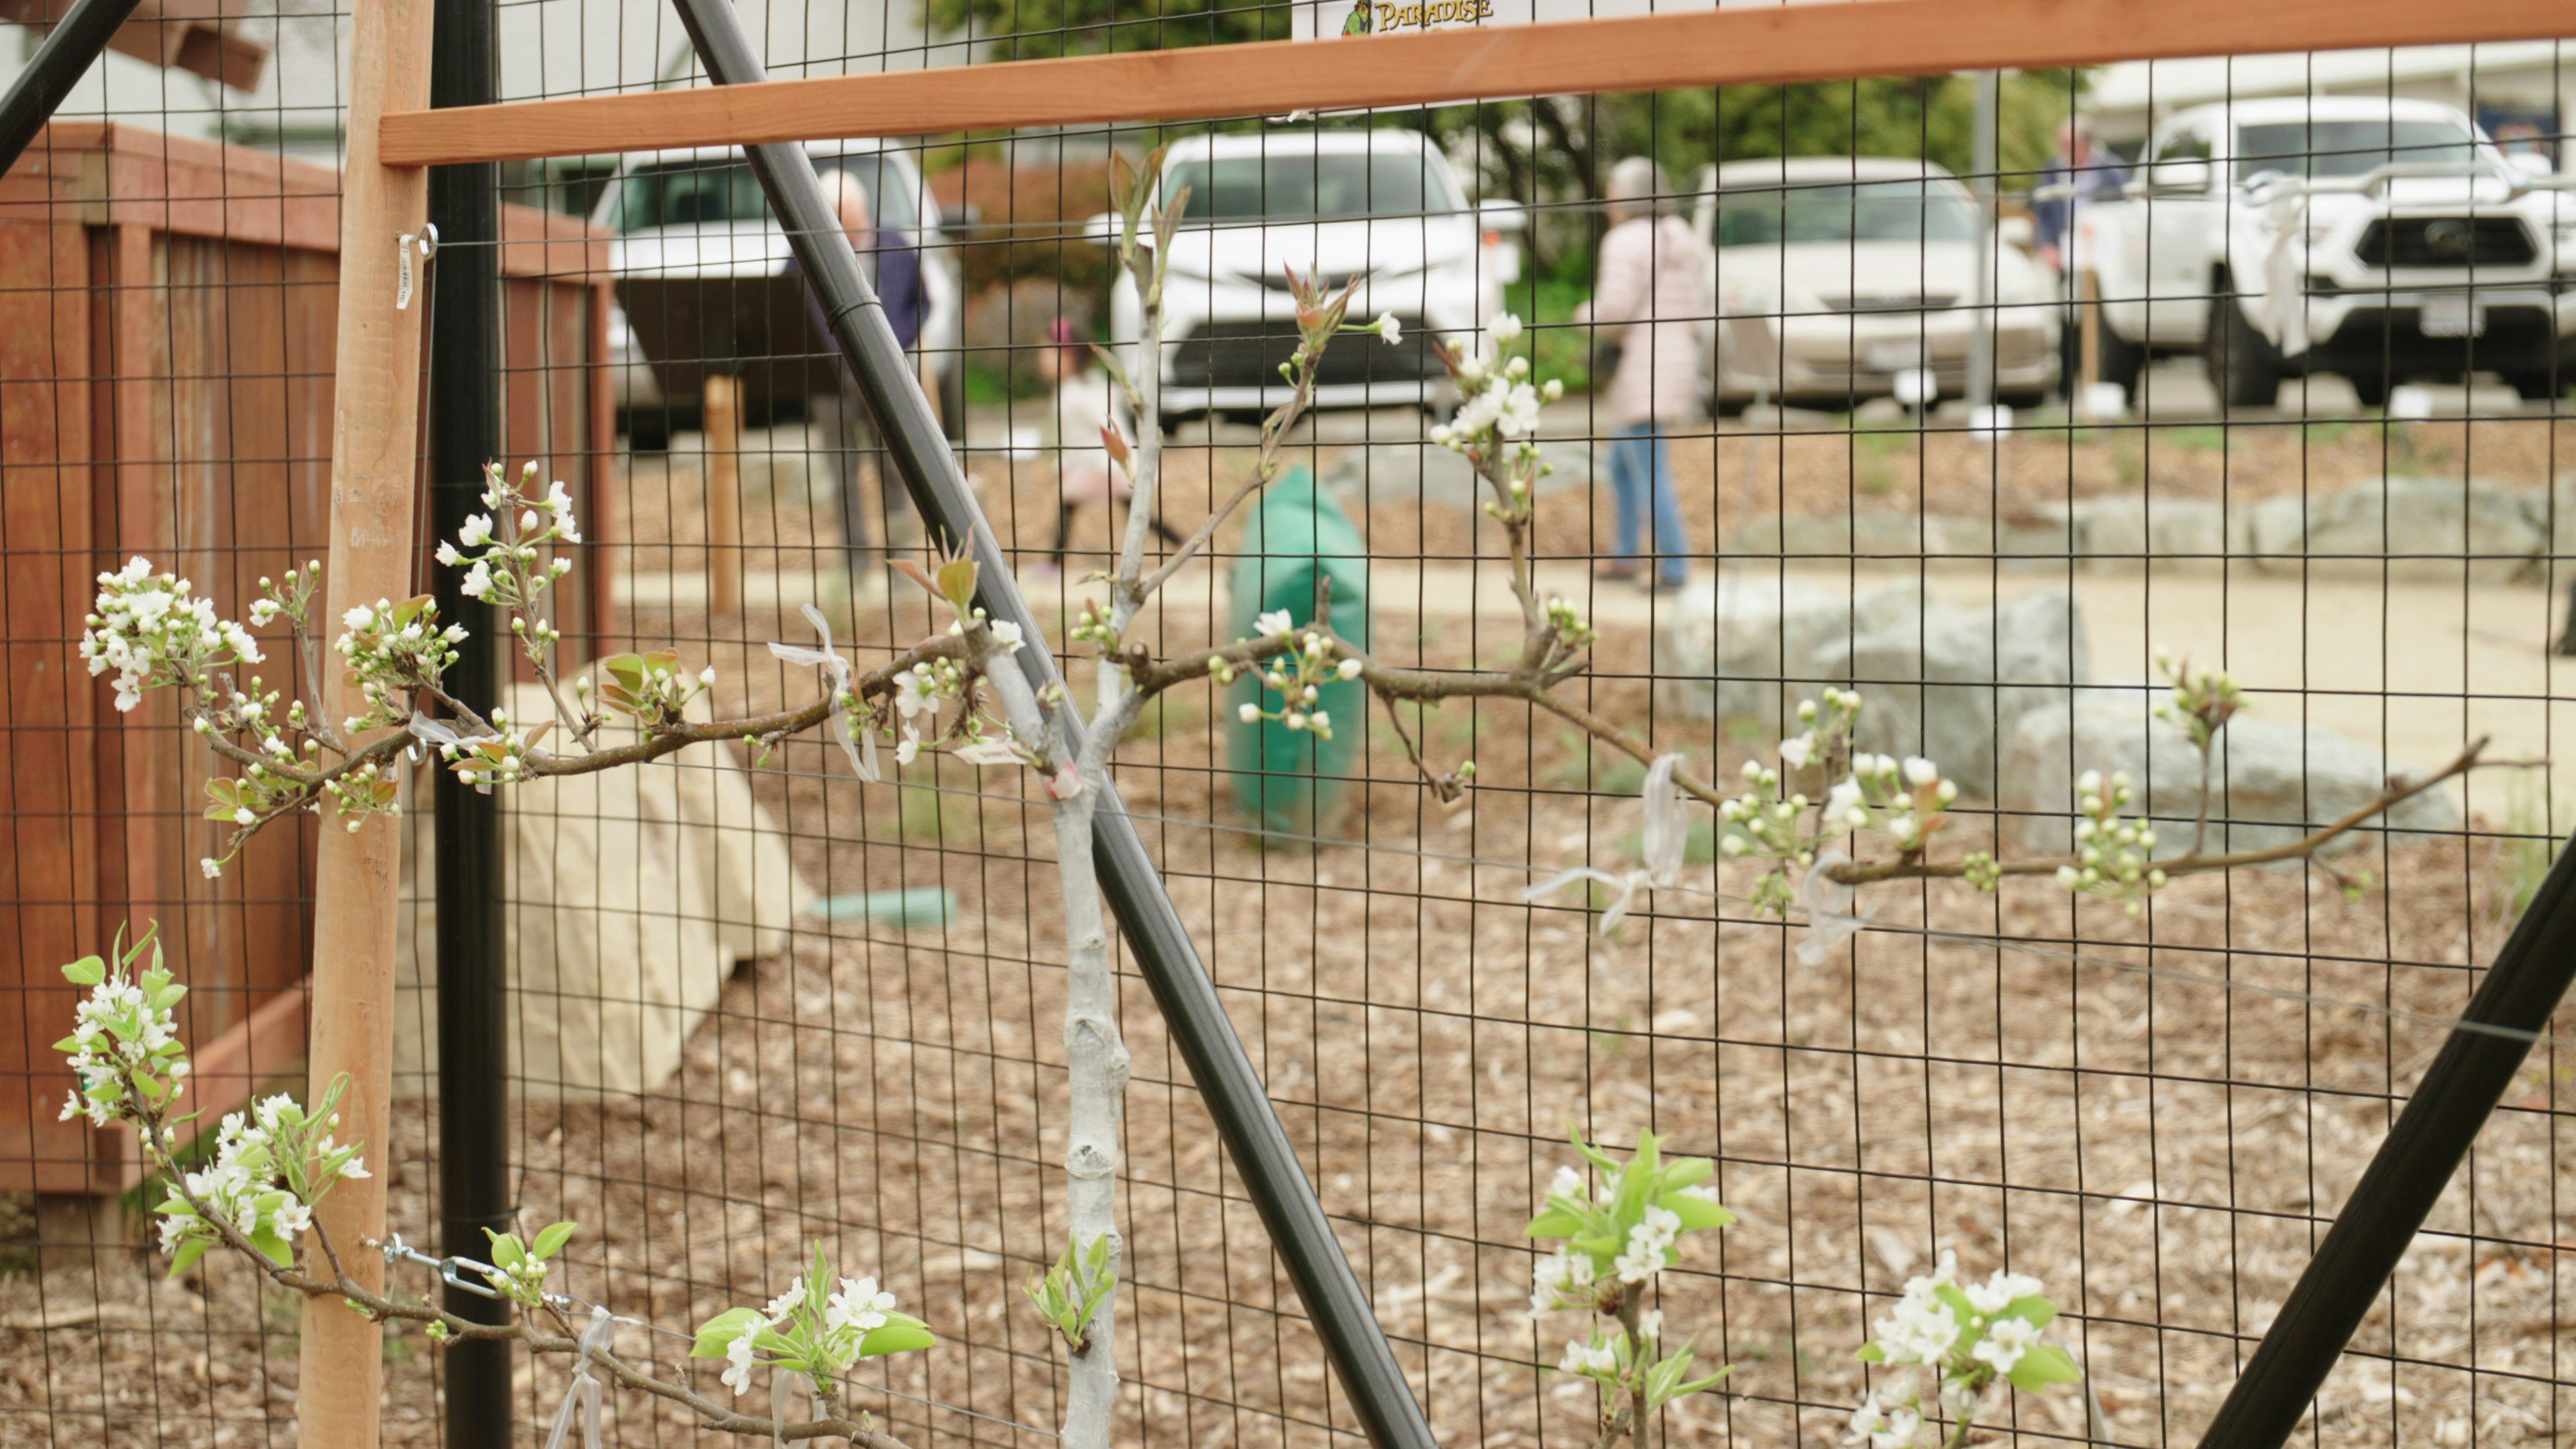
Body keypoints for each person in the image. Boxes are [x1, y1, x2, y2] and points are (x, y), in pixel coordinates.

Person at [1577, 155, 1708, 592]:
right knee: (1622, 463)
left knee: (1650, 469)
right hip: (1677, 359)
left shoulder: (1625, 240)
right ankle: (1625, 553)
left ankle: (1674, 568)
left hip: (1641, 364)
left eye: (1613, 193)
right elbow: (1695, 306)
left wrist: (1582, 315)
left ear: (1630, 197)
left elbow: (1613, 310)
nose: (1608, 202)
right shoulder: (1680, 235)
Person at [798, 168, 932, 580]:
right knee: (842, 474)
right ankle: (855, 563)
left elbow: (922, 304)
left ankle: (899, 562)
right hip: (831, 380)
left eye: (848, 219)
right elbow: (790, 303)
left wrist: (893, 343)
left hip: (888, 377)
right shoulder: (807, 251)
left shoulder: (896, 247)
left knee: (894, 469)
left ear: (863, 212)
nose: (844, 229)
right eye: (834, 219)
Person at [1036, 318, 1177, 578]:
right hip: (1097, 465)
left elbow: (1108, 423)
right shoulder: (1086, 386)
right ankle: (1054, 563)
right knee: (1131, 512)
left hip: (1104, 465)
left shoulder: (1078, 393)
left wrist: (1117, 459)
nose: (1042, 360)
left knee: (1132, 513)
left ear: (1068, 358)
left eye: (1048, 352)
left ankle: (1054, 564)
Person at [2031, 120, 2129, 400]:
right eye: (2063, 144)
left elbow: (2124, 209)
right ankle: (2067, 384)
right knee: (2068, 318)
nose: (2066, 150)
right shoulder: (2053, 170)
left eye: (2071, 144)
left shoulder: (2111, 170)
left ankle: (2106, 384)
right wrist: (2047, 245)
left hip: (2102, 256)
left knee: (2103, 318)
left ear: (2087, 143)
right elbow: (2042, 212)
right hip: (2066, 255)